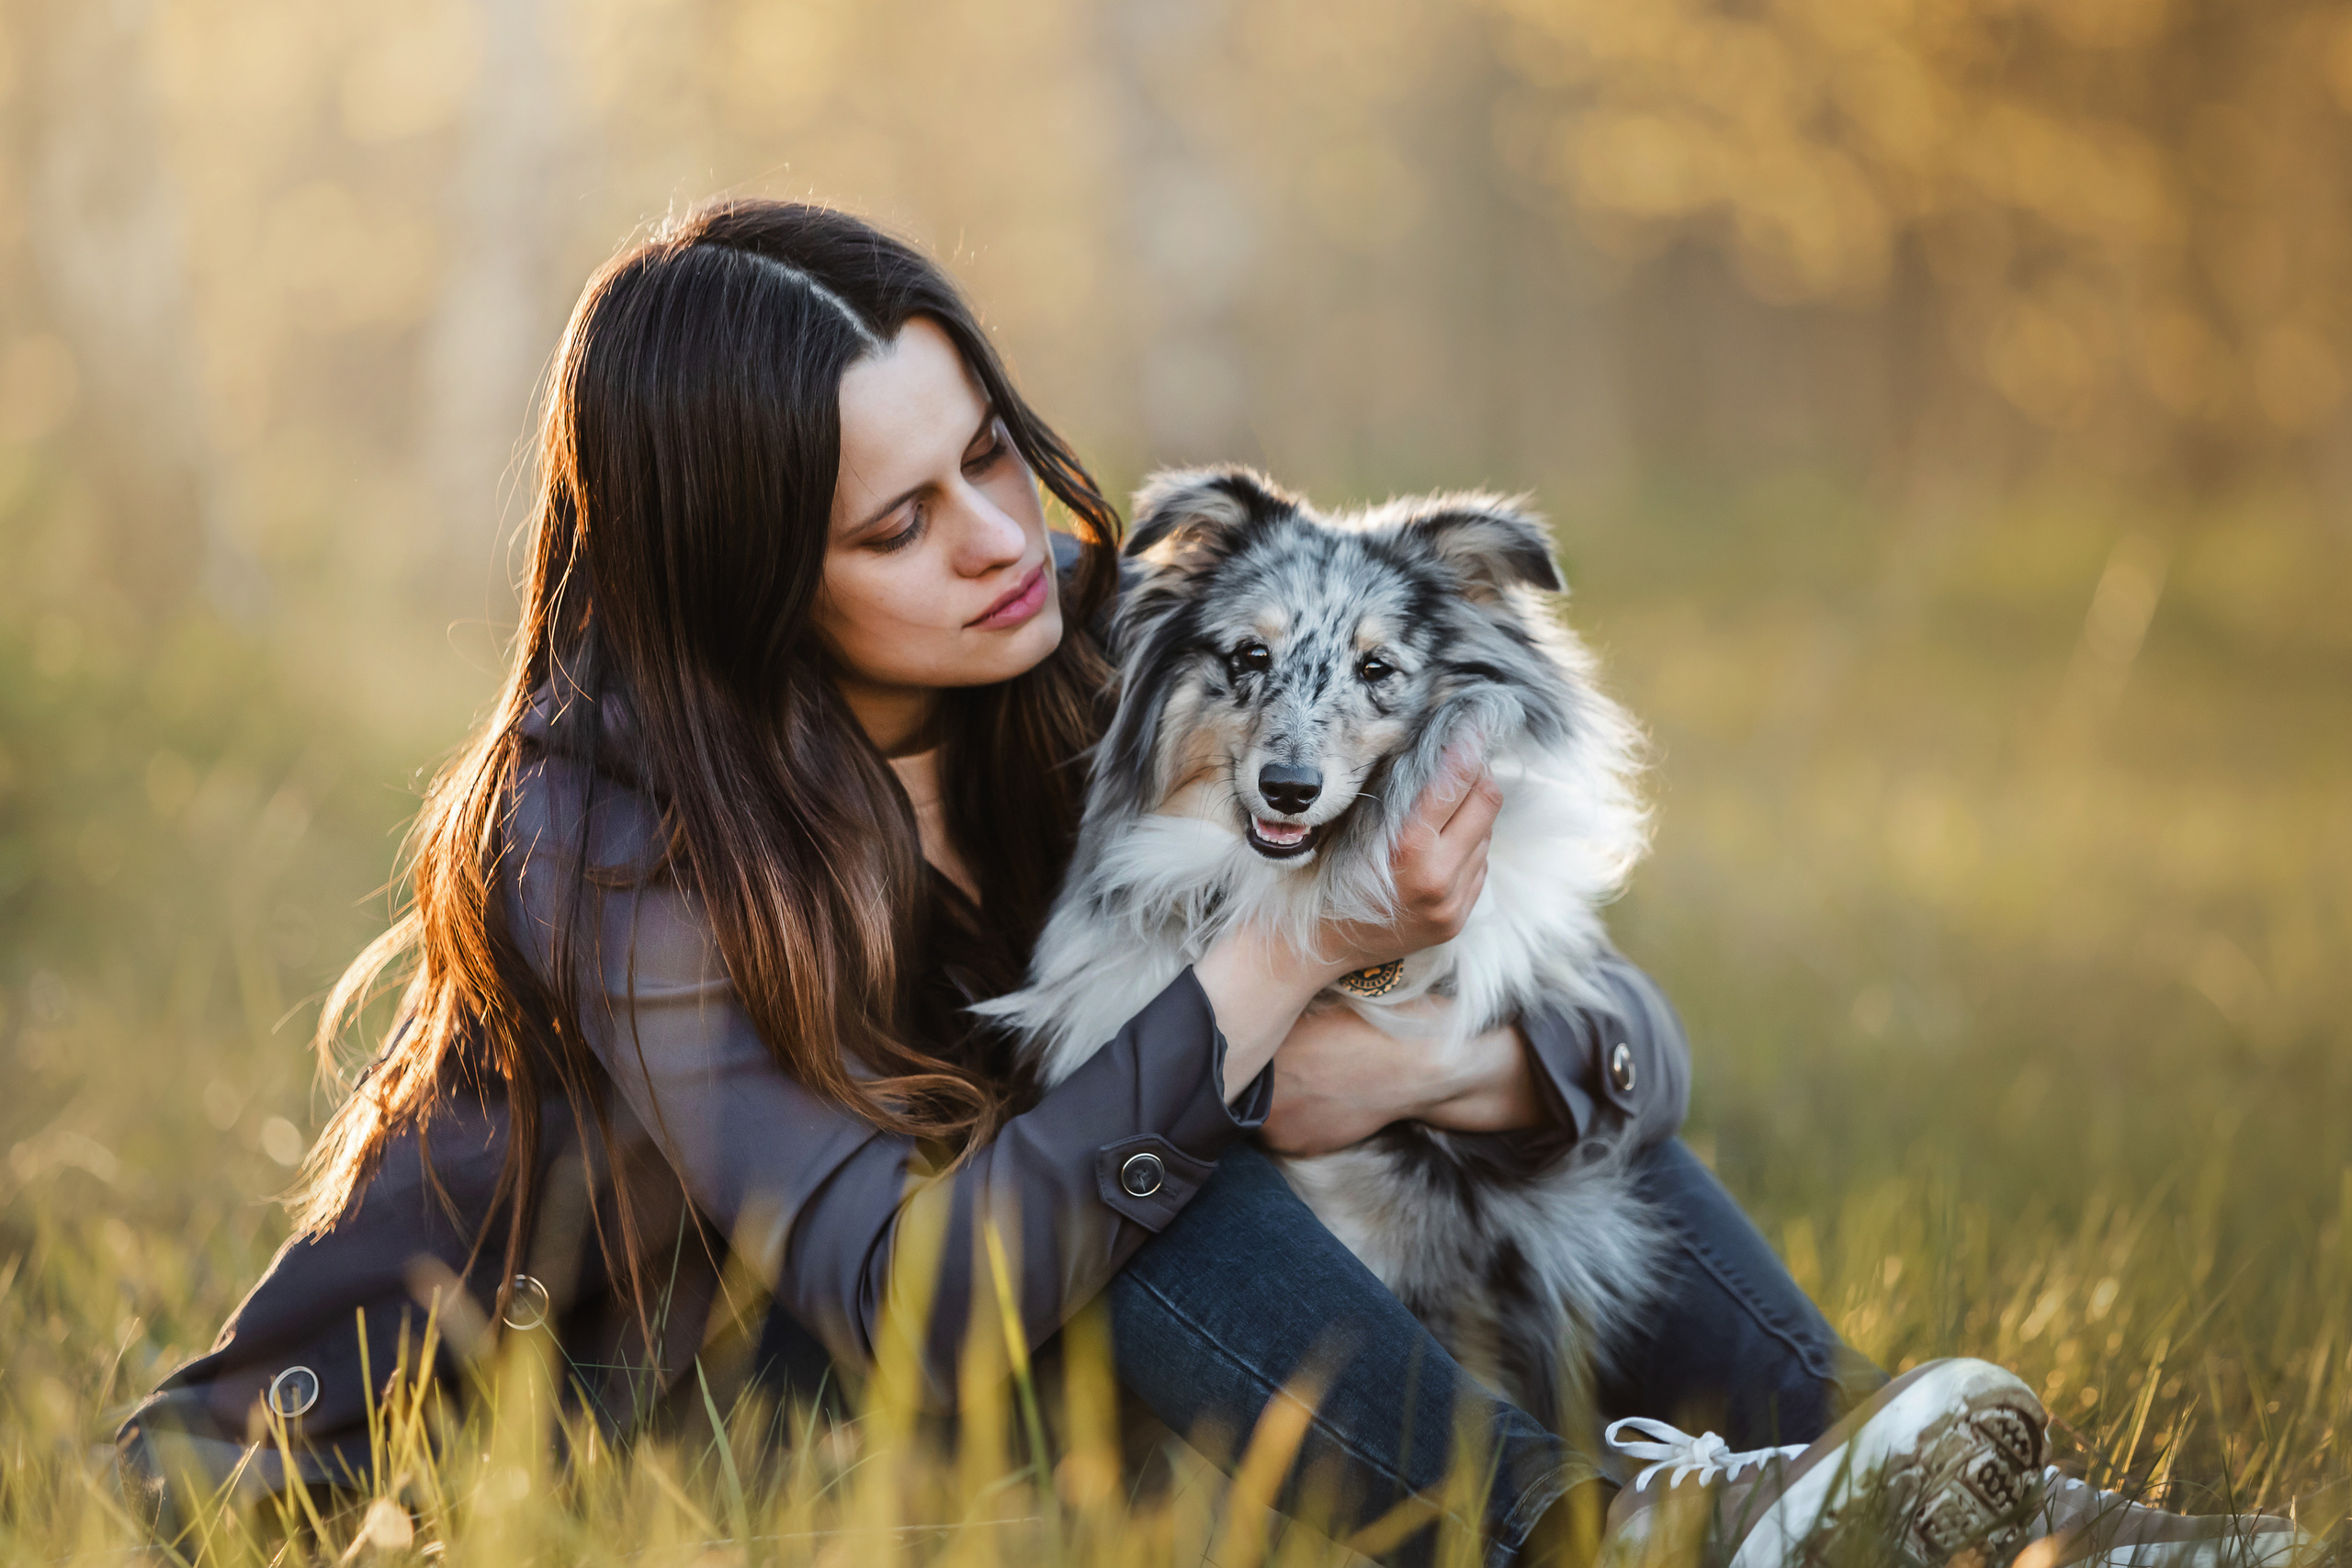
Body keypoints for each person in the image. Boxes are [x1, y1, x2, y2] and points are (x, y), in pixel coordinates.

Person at [116, 201, 2301, 1568]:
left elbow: (1626, 1056)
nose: (1001, 539)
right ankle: (1597, 1537)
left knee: (1279, 1113)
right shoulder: (616, 833)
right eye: (896, 523)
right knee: (1142, 1149)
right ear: (739, 575)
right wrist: (1280, 975)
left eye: (988, 450)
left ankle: (1957, 1512)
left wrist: (1437, 1056)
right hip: (663, 1435)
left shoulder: (1099, 653)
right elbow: (920, 1292)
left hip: (1030, 1368)